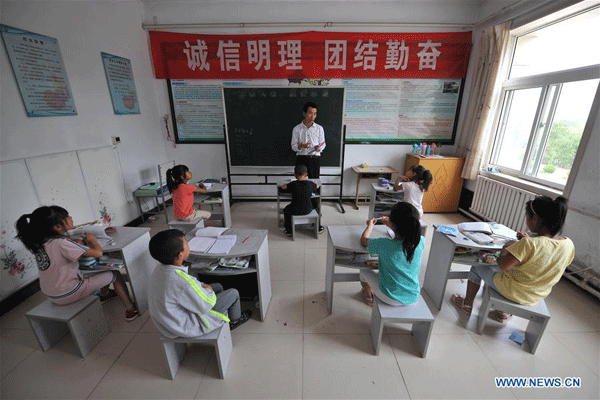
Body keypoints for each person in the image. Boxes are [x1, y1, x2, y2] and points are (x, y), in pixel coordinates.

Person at [451, 195, 574, 322]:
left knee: (477, 268)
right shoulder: (568, 244)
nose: (526, 220)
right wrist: (528, 242)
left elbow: (502, 265)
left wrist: (506, 247)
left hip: (514, 291)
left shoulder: (530, 244)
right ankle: (503, 312)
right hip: (537, 294)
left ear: (535, 219)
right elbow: (545, 257)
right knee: (515, 272)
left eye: (527, 217)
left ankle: (467, 304)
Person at [15, 206, 139, 321]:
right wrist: (92, 240)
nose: (71, 218)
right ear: (57, 227)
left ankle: (104, 295)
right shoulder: (62, 243)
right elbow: (98, 253)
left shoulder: (40, 243)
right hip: (68, 292)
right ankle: (130, 309)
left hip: (51, 294)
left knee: (97, 271)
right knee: (114, 274)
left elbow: (61, 251)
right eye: (67, 217)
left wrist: (74, 242)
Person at [147, 229, 252, 338]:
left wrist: (205, 288)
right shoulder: (182, 281)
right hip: (187, 324)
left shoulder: (158, 270)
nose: (189, 244)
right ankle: (235, 321)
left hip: (168, 322)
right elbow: (205, 305)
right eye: (186, 242)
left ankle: (223, 304)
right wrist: (209, 289)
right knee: (233, 293)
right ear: (180, 255)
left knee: (219, 286)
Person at [359, 202, 425, 307]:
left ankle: (369, 296)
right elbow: (403, 232)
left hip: (389, 297)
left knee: (363, 271)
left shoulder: (385, 244)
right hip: (413, 295)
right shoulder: (420, 241)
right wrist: (393, 225)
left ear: (394, 225)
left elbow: (364, 240)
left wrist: (370, 225)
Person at [280, 164, 323, 237]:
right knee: (316, 207)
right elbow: (317, 186)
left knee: (286, 210)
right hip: (308, 209)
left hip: (295, 210)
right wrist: (316, 185)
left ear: (295, 174)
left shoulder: (292, 184)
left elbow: (284, 187)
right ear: (306, 174)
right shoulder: (310, 184)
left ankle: (289, 230)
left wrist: (285, 185)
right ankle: (318, 227)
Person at [291, 101, 325, 179]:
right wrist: (301, 146)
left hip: (314, 158)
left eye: (315, 113)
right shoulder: (297, 129)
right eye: (310, 113)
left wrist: (319, 148)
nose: (312, 116)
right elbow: (293, 146)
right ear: (304, 114)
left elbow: (323, 144)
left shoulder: (319, 128)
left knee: (314, 182)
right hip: (301, 158)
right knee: (300, 182)